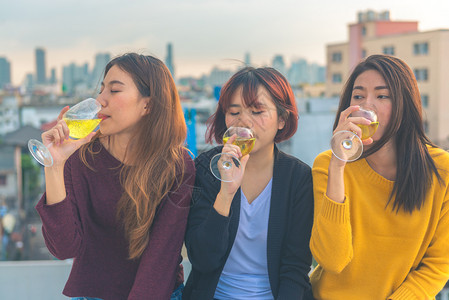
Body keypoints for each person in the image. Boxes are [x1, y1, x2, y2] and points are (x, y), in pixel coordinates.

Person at [35, 53, 195, 300]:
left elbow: (160, 260)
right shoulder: (81, 156)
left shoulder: (176, 165)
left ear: (148, 105)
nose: (100, 100)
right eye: (102, 89)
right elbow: (64, 247)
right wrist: (54, 166)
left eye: (114, 90)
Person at [310, 54, 449, 299]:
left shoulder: (441, 170)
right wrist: (338, 166)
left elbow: (438, 264)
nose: (366, 106)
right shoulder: (327, 165)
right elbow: (332, 260)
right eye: (358, 96)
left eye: (382, 96)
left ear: (404, 104)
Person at [183, 67, 314, 299]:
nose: (243, 121)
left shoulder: (298, 177)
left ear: (282, 119)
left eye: (256, 111)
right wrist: (226, 192)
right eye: (234, 112)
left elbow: (295, 268)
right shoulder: (206, 167)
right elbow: (203, 259)